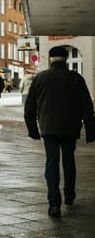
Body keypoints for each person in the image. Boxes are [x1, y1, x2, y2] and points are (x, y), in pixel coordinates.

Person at [24, 46, 95, 218]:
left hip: (48, 128)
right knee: (69, 160)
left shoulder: (40, 78)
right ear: (66, 59)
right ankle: (69, 195)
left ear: (50, 59)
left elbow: (30, 108)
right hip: (70, 127)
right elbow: (87, 106)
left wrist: (33, 129)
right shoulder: (76, 78)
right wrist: (91, 130)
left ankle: (54, 203)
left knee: (51, 162)